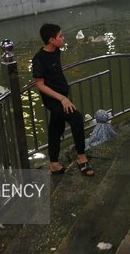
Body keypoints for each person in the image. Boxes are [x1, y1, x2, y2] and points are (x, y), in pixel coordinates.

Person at [31, 24, 95, 176]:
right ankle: (81, 157)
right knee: (76, 118)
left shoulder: (56, 51)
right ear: (51, 40)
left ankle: (53, 163)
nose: (63, 38)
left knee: (56, 127)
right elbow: (40, 85)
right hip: (54, 99)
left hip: (61, 96)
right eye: (60, 36)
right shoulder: (39, 59)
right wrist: (62, 99)